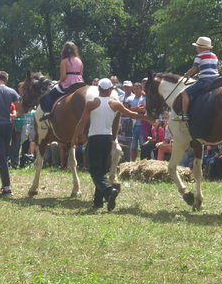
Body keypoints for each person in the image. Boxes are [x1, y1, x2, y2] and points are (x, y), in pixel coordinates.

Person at [71, 78, 153, 210]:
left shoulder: (92, 103)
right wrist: (146, 118)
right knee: (102, 170)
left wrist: (75, 137)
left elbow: (81, 122)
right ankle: (98, 202)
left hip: (94, 138)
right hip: (108, 139)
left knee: (94, 171)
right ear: (110, 90)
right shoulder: (115, 104)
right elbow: (132, 115)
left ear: (99, 89)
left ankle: (109, 191)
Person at [176, 36, 219, 122]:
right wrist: (200, 74)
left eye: (197, 46)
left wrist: (187, 74)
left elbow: (193, 69)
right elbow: (218, 68)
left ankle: (184, 115)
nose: (196, 48)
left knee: (184, 93)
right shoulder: (214, 56)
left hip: (205, 81)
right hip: (216, 80)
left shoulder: (199, 56)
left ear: (201, 48)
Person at [40, 41, 85, 121]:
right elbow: (81, 73)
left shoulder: (64, 61)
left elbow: (64, 77)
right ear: (75, 50)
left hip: (69, 84)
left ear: (64, 50)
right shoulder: (79, 61)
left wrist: (58, 82)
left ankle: (47, 112)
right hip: (80, 82)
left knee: (49, 94)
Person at [126, 82, 147, 160]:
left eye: (138, 89)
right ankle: (133, 162)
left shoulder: (145, 98)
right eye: (135, 89)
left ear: (141, 89)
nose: (136, 90)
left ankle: (142, 162)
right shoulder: (129, 99)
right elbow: (125, 109)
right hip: (133, 125)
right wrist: (136, 109)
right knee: (133, 146)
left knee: (143, 146)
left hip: (142, 125)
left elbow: (145, 109)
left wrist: (136, 109)